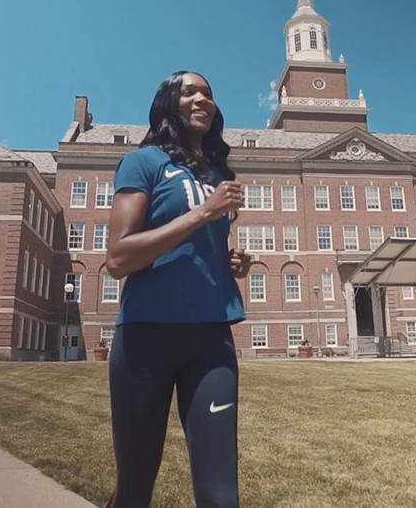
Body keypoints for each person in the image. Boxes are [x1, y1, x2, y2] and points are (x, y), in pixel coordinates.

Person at [104, 71, 251, 508]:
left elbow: (198, 245)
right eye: (190, 91)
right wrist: (204, 213)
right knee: (134, 491)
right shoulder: (144, 162)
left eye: (208, 93)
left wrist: (230, 261)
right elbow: (118, 259)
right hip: (146, 336)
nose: (202, 98)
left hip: (211, 338)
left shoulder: (217, 172)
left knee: (221, 493)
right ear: (169, 102)